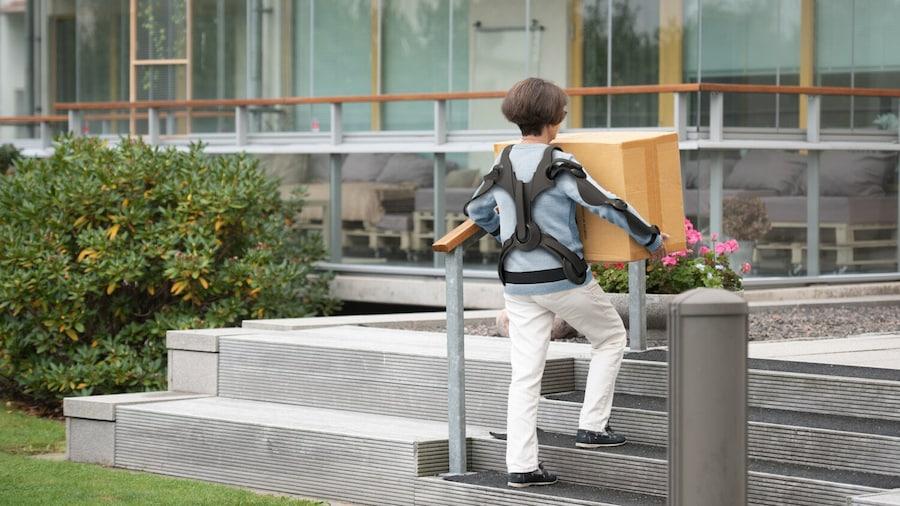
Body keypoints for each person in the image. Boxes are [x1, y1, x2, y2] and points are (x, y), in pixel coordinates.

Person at [464, 77, 668, 488]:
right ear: (554, 121)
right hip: (563, 279)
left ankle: (521, 467)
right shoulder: (560, 163)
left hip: (517, 284)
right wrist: (651, 238)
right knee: (611, 338)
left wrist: (506, 233)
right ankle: (592, 426)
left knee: (525, 375)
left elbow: (476, 209)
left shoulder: (501, 164)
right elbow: (607, 203)